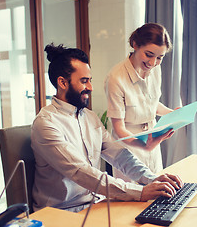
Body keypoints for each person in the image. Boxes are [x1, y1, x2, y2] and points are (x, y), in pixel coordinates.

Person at [31, 43, 183, 212]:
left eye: (90, 80)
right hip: (63, 212)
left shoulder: (89, 117)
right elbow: (81, 172)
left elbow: (119, 155)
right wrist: (141, 192)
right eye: (84, 81)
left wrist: (152, 179)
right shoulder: (46, 124)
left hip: (95, 204)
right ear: (62, 82)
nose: (90, 87)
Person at [104, 23, 176, 182]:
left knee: (159, 190)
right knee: (134, 197)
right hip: (130, 147)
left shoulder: (155, 69)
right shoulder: (116, 78)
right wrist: (144, 145)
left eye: (160, 57)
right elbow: (119, 128)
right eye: (149, 54)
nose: (153, 62)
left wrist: (173, 114)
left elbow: (151, 105)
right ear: (135, 45)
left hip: (152, 142)